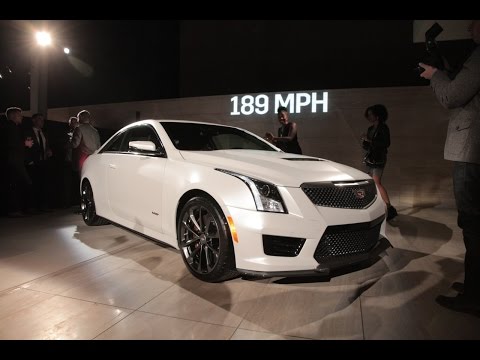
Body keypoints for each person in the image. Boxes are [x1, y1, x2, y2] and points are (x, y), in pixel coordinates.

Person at [419, 20, 480, 316]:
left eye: (475, 25)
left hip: (472, 151)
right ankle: (473, 286)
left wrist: (435, 75)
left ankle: (474, 295)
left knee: (472, 224)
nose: (470, 29)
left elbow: (452, 96)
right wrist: (444, 70)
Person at [361, 104, 397, 221]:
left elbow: (386, 143)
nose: (369, 117)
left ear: (377, 115)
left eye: (370, 114)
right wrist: (365, 142)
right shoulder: (370, 129)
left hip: (379, 158)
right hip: (371, 159)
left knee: (376, 182)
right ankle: (382, 207)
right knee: (372, 182)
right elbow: (368, 147)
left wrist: (369, 140)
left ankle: (389, 208)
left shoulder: (383, 128)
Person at [4, 107, 34, 217]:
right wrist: (25, 144)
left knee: (19, 184)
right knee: (17, 184)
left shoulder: (15, 127)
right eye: (19, 115)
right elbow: (11, 144)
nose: (21, 117)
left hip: (16, 160)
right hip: (14, 160)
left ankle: (17, 209)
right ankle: (15, 210)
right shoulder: (10, 127)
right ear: (12, 116)